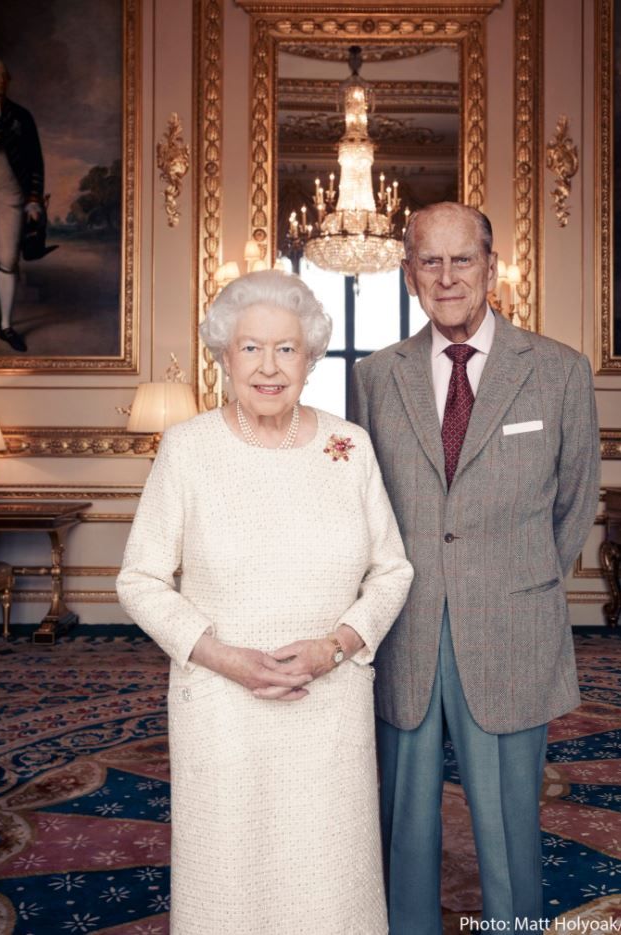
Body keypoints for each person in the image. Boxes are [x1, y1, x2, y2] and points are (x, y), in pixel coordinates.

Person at [116, 269, 413, 934]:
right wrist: (222, 657)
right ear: (222, 356)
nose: (269, 367)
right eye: (250, 348)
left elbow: (392, 570)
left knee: (329, 878)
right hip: (222, 707)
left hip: (328, 704)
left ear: (310, 358)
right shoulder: (188, 448)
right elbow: (138, 578)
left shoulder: (349, 447)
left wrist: (336, 645)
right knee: (230, 877)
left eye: (286, 348)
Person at [350, 202, 601, 933]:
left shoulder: (557, 371)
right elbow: (362, 506)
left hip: (511, 628)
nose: (447, 276)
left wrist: (514, 581)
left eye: (463, 259)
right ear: (407, 275)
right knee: (402, 825)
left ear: (491, 267)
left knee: (508, 830)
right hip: (405, 632)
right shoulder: (373, 378)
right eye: (429, 260)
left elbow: (575, 500)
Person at [0, 58, 44, 354]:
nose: (1, 80)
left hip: (10, 196)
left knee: (8, 260)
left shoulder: (21, 116)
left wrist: (34, 199)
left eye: (4, 75)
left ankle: (6, 326)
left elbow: (35, 160)